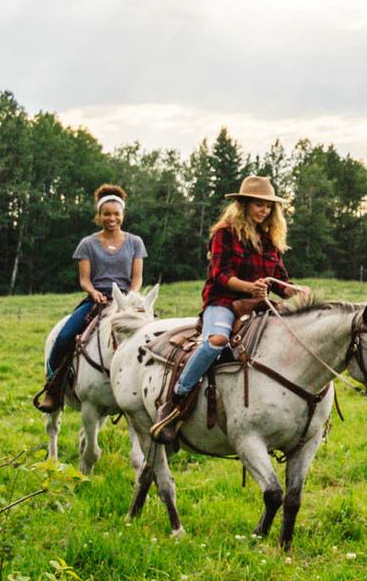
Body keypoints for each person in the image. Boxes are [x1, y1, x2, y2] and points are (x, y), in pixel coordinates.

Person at [153, 175, 309, 443]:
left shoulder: (269, 240)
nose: (264, 210)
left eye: (268, 206)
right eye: (259, 204)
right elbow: (220, 275)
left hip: (260, 304)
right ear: (244, 204)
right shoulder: (224, 233)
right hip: (223, 302)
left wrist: (297, 291)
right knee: (216, 342)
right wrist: (249, 287)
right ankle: (177, 398)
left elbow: (280, 282)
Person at [33, 183, 147, 410]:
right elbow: (84, 279)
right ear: (99, 215)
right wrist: (93, 293)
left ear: (123, 215)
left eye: (116, 214)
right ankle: (53, 388)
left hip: (126, 301)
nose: (112, 218)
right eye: (107, 214)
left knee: (153, 336)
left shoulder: (135, 242)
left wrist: (130, 297)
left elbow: (137, 278)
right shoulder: (88, 244)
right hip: (97, 299)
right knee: (64, 337)